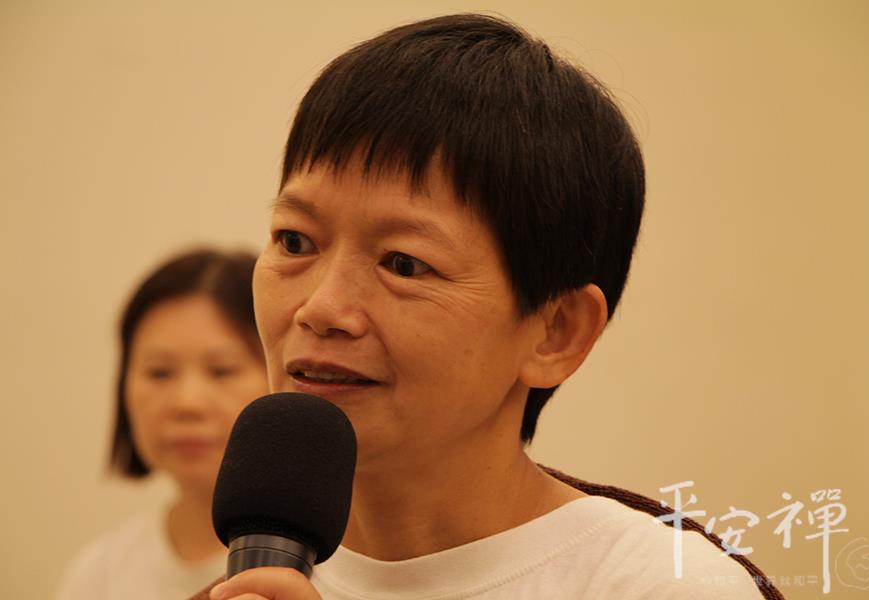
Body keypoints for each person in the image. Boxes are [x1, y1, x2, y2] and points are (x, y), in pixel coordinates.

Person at [206, 13, 783, 600]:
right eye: (294, 241)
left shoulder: (655, 584)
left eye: (404, 263)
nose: (321, 308)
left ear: (556, 332)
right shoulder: (245, 584)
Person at [57, 249, 270, 600]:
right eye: (159, 372)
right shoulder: (98, 574)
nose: (187, 403)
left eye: (222, 371)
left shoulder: (333, 564)